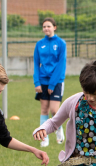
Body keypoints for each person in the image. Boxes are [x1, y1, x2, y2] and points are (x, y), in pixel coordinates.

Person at [33, 17, 66, 147]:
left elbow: (61, 65)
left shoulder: (61, 43)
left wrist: (52, 83)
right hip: (42, 81)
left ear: (54, 27)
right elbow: (36, 64)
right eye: (44, 26)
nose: (46, 28)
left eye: (49, 26)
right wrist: (37, 82)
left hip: (56, 81)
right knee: (44, 109)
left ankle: (59, 131)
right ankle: (44, 137)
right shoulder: (39, 44)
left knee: (54, 110)